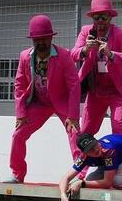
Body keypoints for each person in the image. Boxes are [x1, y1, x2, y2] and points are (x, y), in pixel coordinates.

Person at [10, 14, 80, 183]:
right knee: (18, 134)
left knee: (76, 133)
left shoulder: (64, 55)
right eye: (36, 40)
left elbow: (74, 86)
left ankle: (80, 175)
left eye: (44, 39)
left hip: (61, 102)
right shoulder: (25, 57)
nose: (40, 43)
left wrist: (73, 116)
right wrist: (21, 113)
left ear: (50, 37)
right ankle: (17, 174)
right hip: (39, 103)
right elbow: (19, 85)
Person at [71, 0, 122, 136]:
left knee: (118, 128)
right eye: (96, 17)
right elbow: (72, 55)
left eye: (103, 17)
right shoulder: (86, 32)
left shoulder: (121, 34)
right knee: (87, 132)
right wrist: (85, 49)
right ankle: (87, 158)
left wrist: (111, 54)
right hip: (96, 90)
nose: (100, 21)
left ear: (110, 17)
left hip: (118, 90)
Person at [58, 133, 122, 201]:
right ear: (85, 153)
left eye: (94, 145)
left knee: (117, 182)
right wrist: (63, 195)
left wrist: (81, 183)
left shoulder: (108, 151)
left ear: (96, 141)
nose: (95, 149)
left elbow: (107, 182)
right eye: (90, 149)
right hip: (110, 159)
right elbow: (66, 178)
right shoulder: (83, 157)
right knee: (89, 180)